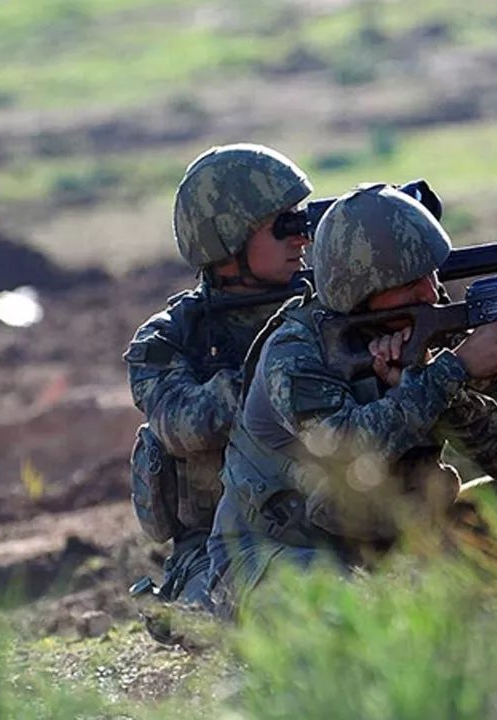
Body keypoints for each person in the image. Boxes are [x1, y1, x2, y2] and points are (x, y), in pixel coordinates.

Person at [207, 184, 497, 615]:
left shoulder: (430, 323)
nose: (428, 292)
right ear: (358, 293)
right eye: (408, 283)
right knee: (352, 611)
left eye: (431, 274)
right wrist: (448, 373)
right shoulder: (295, 351)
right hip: (274, 553)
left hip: (389, 541)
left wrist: (443, 386)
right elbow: (348, 453)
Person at [124, 143, 313, 610]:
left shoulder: (326, 310)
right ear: (229, 239)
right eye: (284, 225)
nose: (302, 239)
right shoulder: (171, 338)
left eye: (303, 221)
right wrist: (286, 369)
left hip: (338, 525)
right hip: (220, 549)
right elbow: (182, 424)